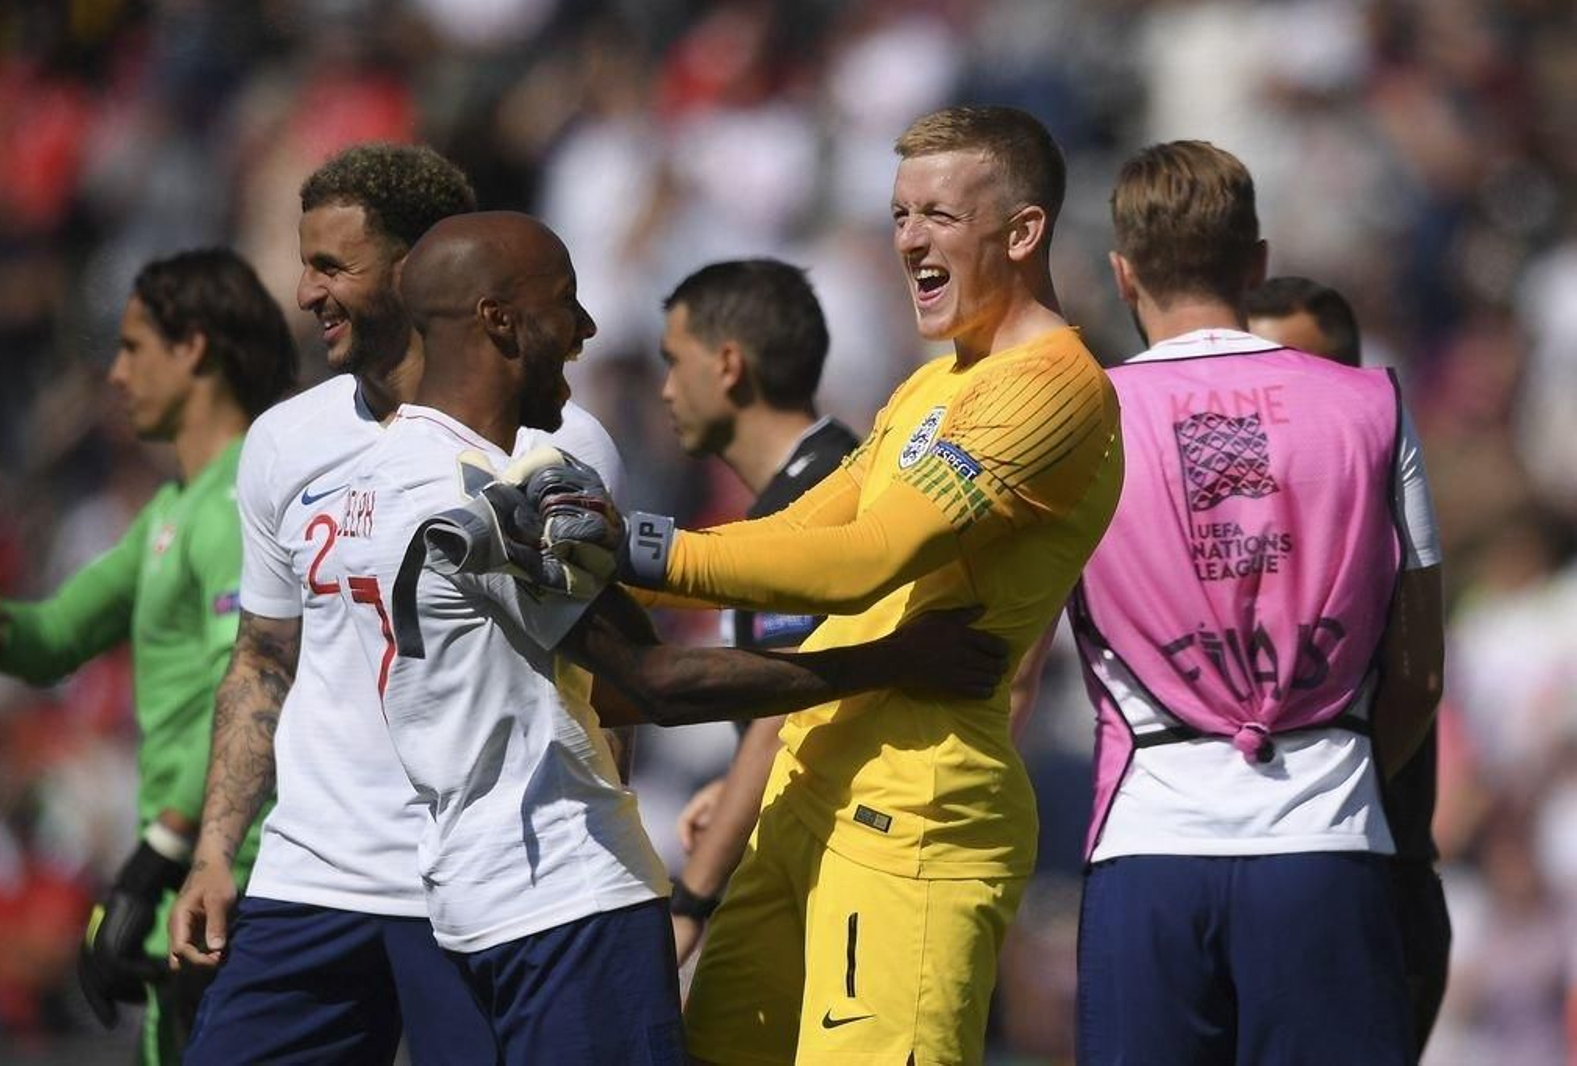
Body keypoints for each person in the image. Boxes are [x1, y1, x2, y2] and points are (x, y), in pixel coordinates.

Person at [327, 211, 1008, 1062]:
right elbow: (650, 681)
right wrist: (890, 661)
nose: (585, 329)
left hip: (460, 896)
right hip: (561, 899)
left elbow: (596, 686)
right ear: (498, 320)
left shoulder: (369, 478)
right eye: (564, 302)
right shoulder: (484, 493)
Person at [526, 104, 1124, 1066]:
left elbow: (865, 560)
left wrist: (633, 551)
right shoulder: (931, 385)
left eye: (939, 215)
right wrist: (605, 564)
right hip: (808, 789)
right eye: (899, 215)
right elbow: (800, 531)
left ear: (1023, 232)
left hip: (915, 817)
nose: (910, 240)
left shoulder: (1053, 386)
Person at [163, 143, 606, 1064]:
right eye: (306, 265)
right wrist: (215, 852)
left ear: (412, 272)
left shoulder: (553, 445)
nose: (305, 293)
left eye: (332, 267)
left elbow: (601, 674)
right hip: (311, 878)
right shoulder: (284, 441)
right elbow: (264, 656)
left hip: (481, 887)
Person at [1068, 142, 1444, 1064]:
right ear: (1256, 262)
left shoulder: (1077, 420)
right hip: (1327, 837)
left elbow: (1016, 662)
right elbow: (1420, 676)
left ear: (1122, 273)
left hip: (1147, 843)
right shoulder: (1375, 405)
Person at [0, 249, 297, 1063]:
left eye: (131, 348)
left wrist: (160, 850)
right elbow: (53, 639)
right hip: (188, 884)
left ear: (193, 349)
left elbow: (253, 679)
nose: (115, 375)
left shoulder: (237, 501)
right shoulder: (171, 510)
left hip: (236, 883)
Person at [1247, 274, 1451, 1055]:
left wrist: (1324, 799)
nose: (1273, 399)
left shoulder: (1384, 515)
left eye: (1298, 373)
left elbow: (1417, 685)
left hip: (1374, 888)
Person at [655, 259, 860, 965]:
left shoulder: (819, 499)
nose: (666, 388)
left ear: (729, 365)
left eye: (674, 361)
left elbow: (781, 714)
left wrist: (691, 902)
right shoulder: (811, 486)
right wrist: (738, 789)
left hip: (847, 866)